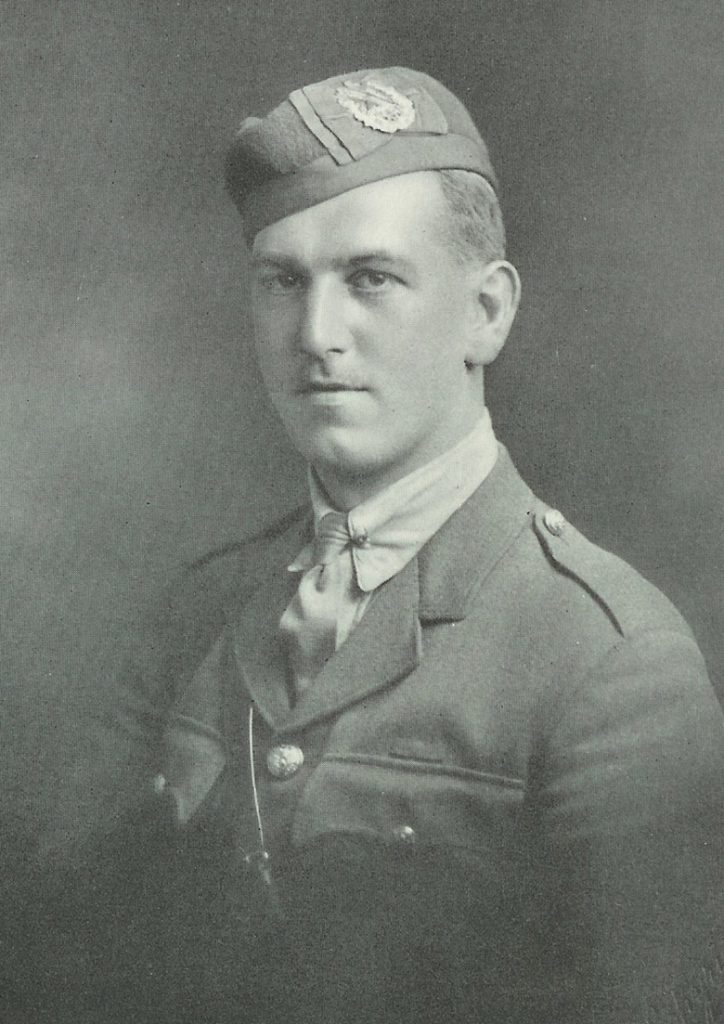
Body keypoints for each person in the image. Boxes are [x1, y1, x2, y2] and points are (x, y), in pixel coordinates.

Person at [15, 66, 724, 1024]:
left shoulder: (610, 664)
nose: (316, 334)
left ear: (488, 312)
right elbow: (67, 967)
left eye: (372, 279)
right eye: (281, 282)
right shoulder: (199, 610)